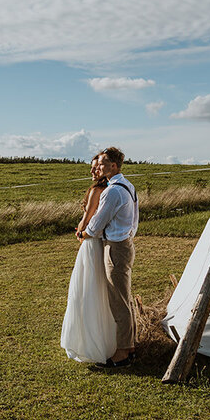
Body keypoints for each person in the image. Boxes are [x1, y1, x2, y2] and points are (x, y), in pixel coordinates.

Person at [78, 147, 139, 367]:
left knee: (119, 300)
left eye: (103, 163)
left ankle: (123, 353)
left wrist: (83, 234)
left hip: (115, 247)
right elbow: (135, 220)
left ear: (113, 165)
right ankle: (129, 345)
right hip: (123, 243)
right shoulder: (128, 186)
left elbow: (96, 224)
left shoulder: (113, 191)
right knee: (124, 297)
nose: (99, 167)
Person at [60, 155, 118, 364]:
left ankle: (88, 341)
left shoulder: (96, 191)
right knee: (101, 289)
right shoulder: (111, 190)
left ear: (106, 169)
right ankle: (108, 340)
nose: (93, 171)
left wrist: (79, 232)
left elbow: (87, 220)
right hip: (104, 242)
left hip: (91, 244)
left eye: (96, 168)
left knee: (85, 289)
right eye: (92, 168)